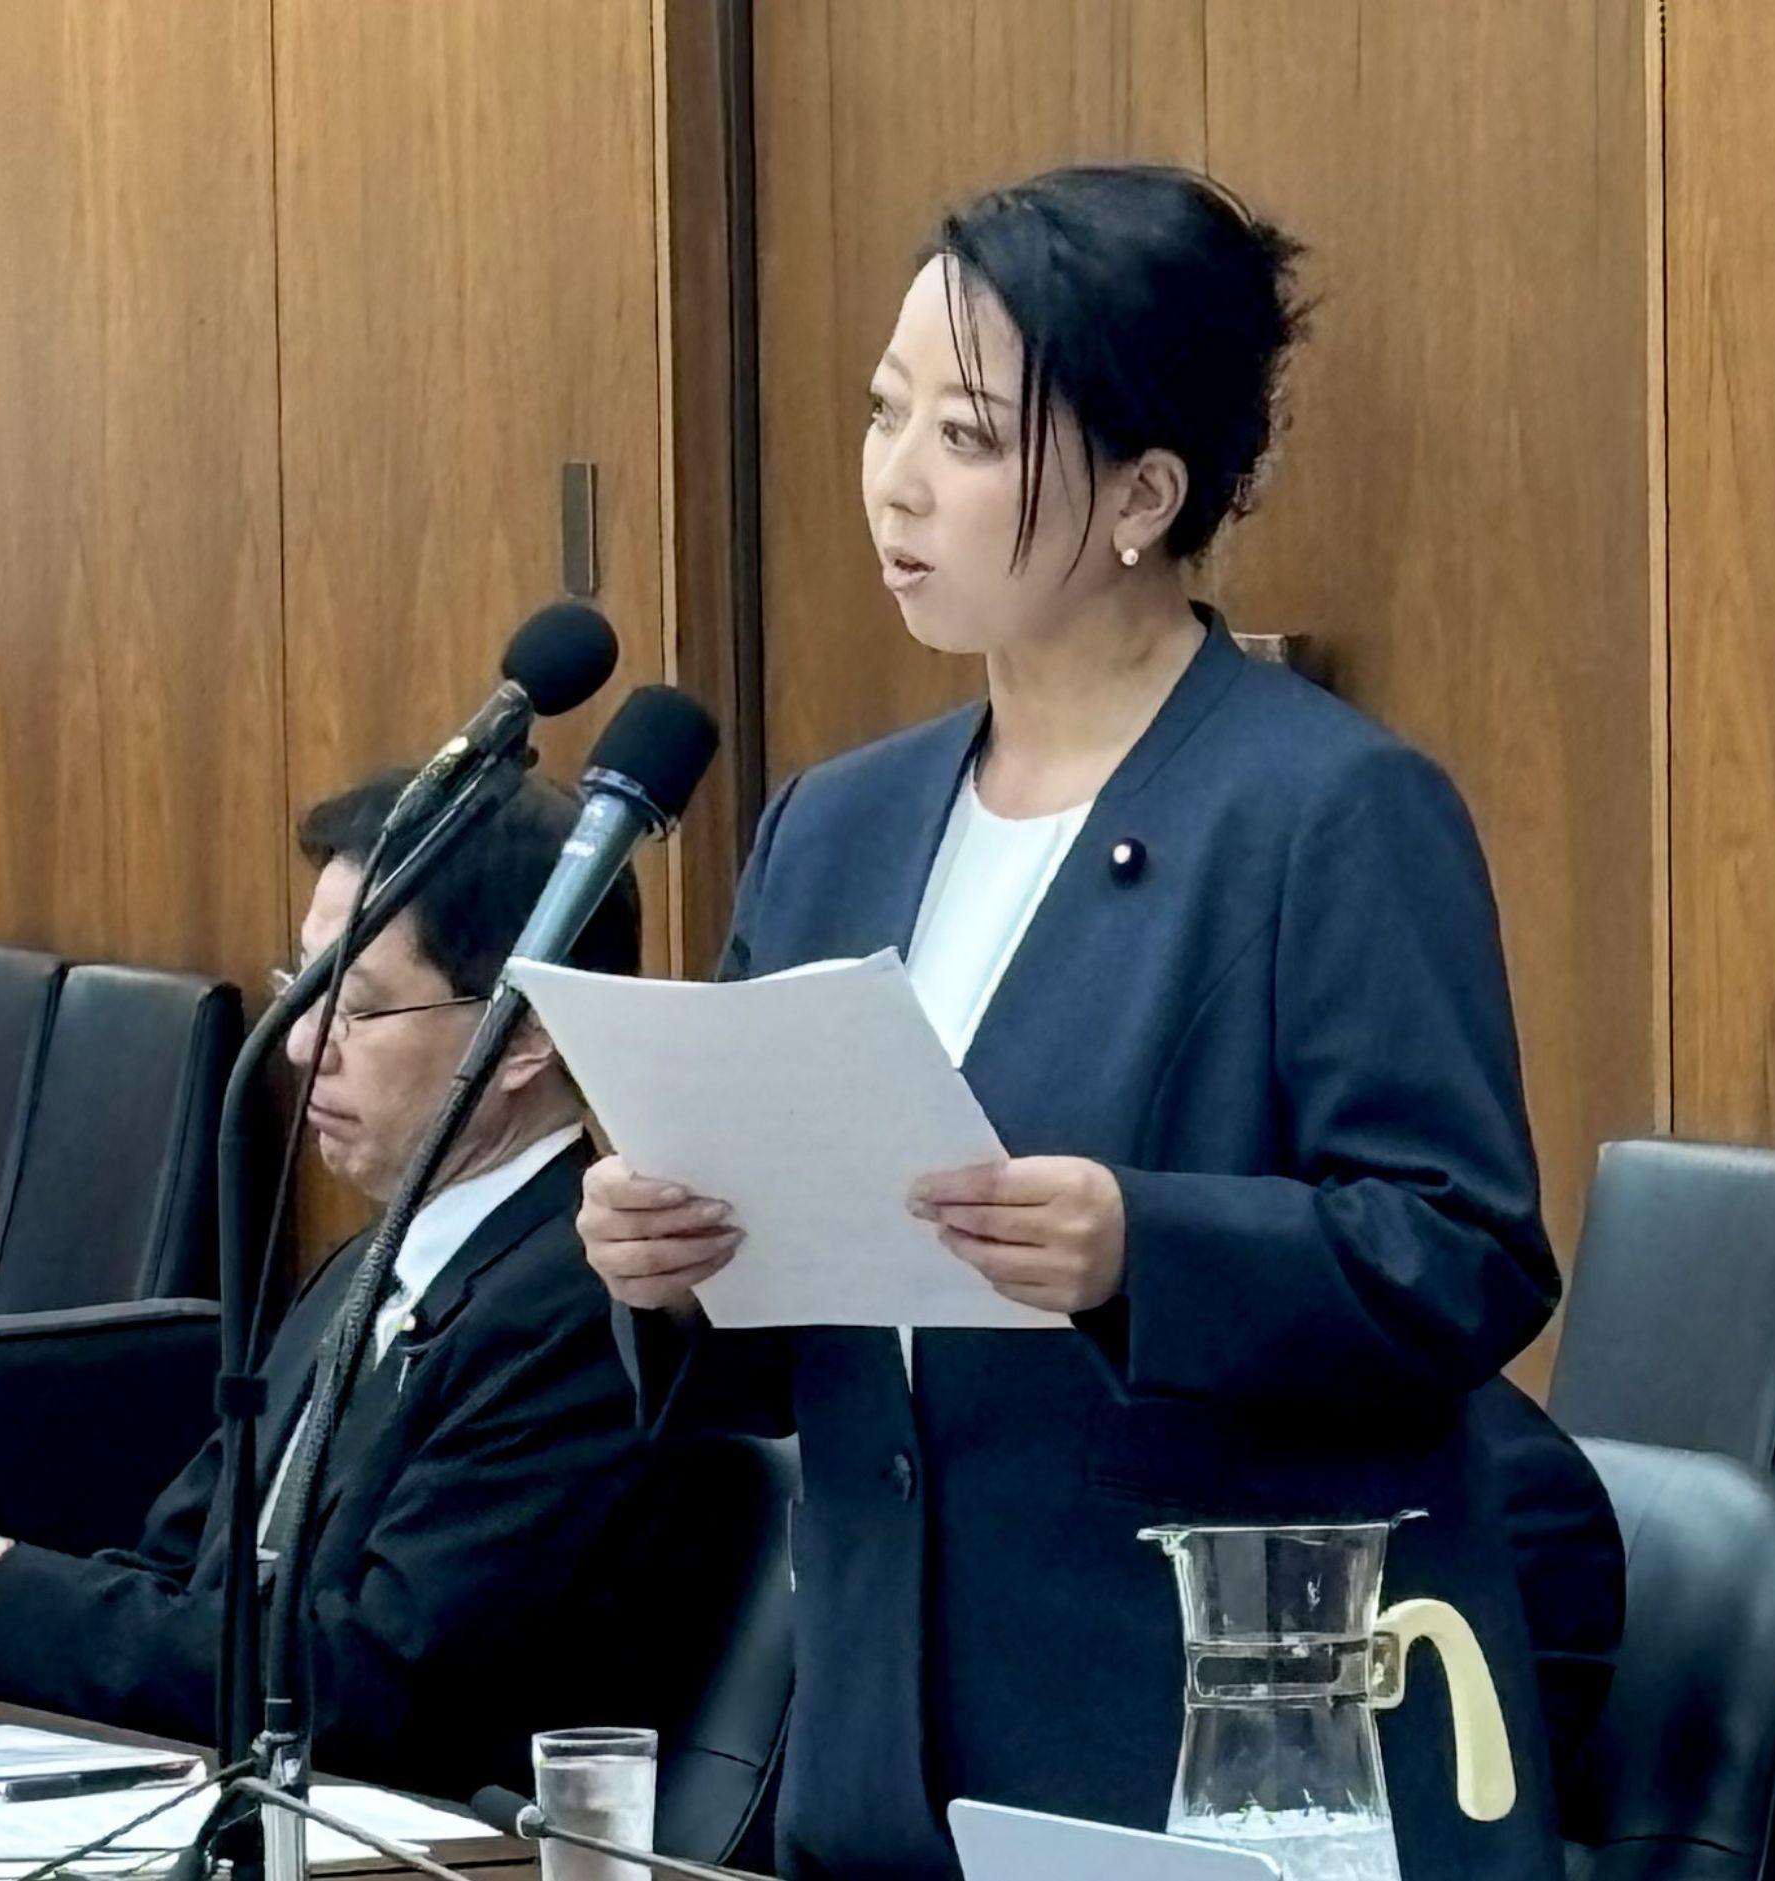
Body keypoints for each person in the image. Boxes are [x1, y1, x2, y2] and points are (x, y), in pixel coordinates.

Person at [582, 165, 1581, 1880]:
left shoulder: (1325, 810)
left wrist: (1141, 1250)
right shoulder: (836, 823)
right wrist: (667, 1270)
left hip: (1195, 1747)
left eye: (969, 436)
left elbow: (1466, 1253)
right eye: (884, 412)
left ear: (1142, 492)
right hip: (883, 1751)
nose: (896, 477)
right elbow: (806, 1335)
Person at [0, 770, 661, 1793]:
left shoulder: (582, 1307)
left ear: (523, 1037)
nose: (300, 1047)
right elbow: (175, 1593)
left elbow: (375, 1689)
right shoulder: (371, 1267)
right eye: (302, 987)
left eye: (358, 1007)